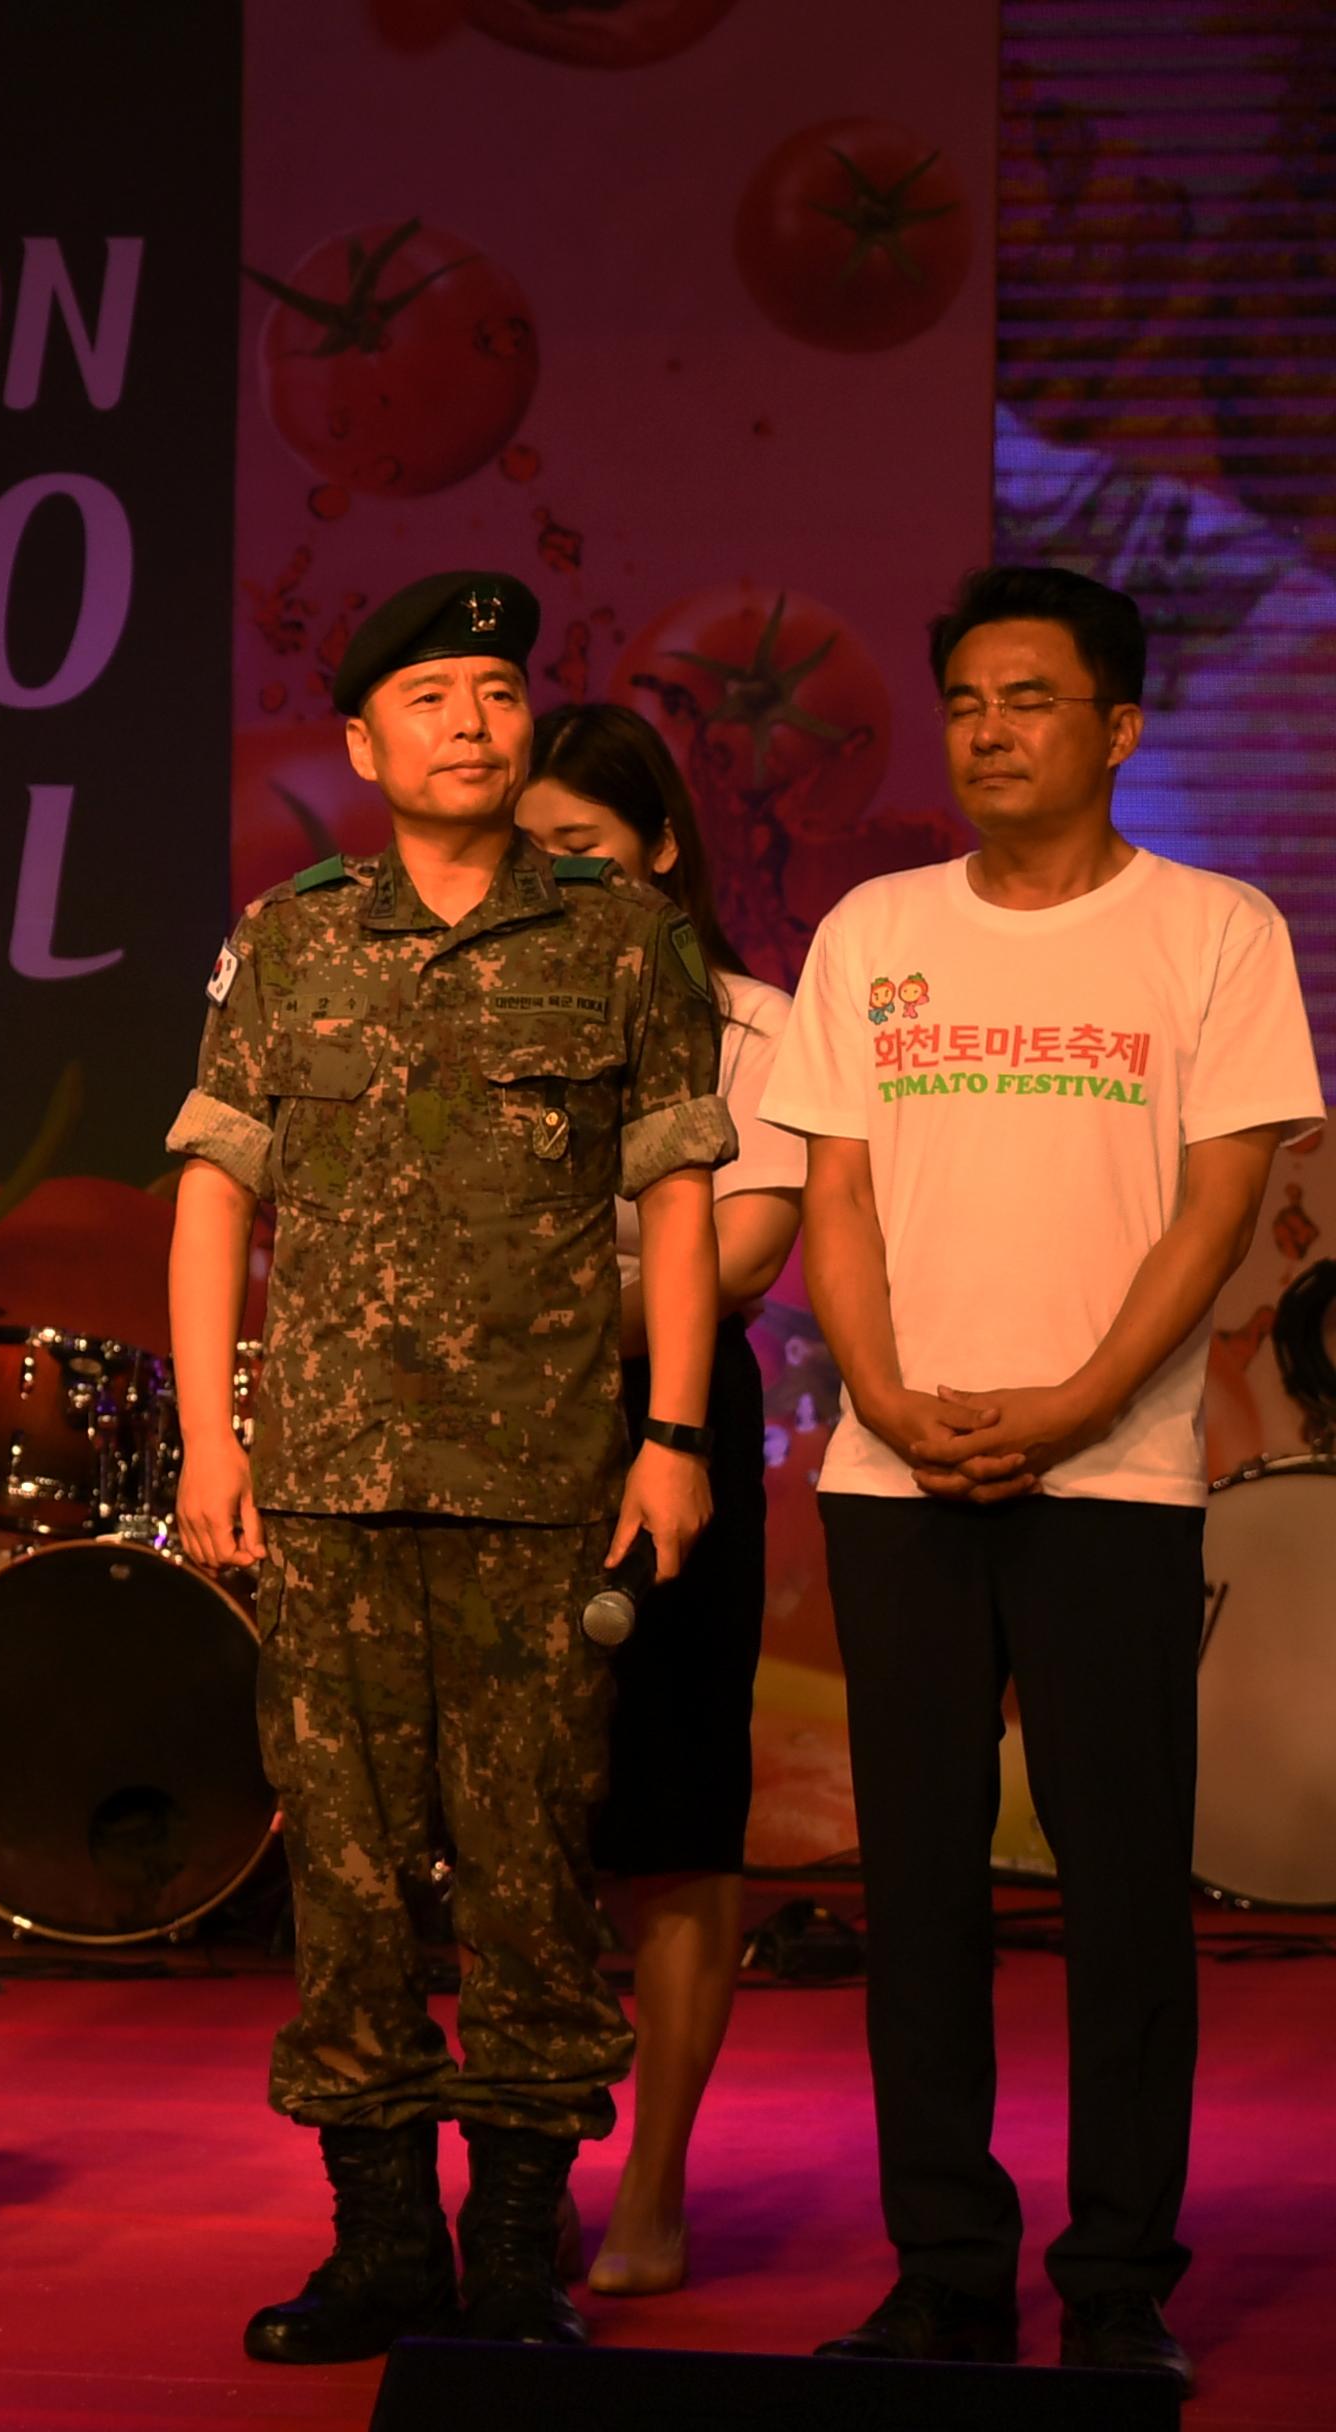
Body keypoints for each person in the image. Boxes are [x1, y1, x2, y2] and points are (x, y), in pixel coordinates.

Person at [167, 571, 733, 2362]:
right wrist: (209, 1433)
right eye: (427, 697)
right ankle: (380, 2245)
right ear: (361, 743)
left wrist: (671, 1438)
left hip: (542, 1481)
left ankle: (512, 2253)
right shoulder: (289, 940)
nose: (469, 724)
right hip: (328, 1485)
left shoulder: (618, 940)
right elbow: (212, 1189)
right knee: (338, 1874)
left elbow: (676, 1195)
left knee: (529, 1878)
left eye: (493, 691)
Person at [765, 566, 1320, 2389]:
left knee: (1117, 1886)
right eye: (965, 703)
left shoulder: (1212, 928)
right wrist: (886, 1393)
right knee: (912, 1882)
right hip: (893, 1471)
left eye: (1028, 698)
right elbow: (830, 1198)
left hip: (1119, 1479)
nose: (990, 730)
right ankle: (942, 2264)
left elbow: (1217, 1203)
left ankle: (1111, 2279)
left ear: (1116, 727)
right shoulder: (868, 930)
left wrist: (1077, 1400)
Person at [515, 703, 809, 2296]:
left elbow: (746, 1259)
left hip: (672, 1420)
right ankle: (533, 2165)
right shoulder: (485, 1005)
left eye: (582, 849)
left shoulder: (758, 1024)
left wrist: (515, 1295)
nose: (552, 878)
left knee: (677, 1821)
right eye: (528, 851)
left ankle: (662, 2181)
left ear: (664, 849)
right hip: (501, 1437)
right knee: (517, 1825)